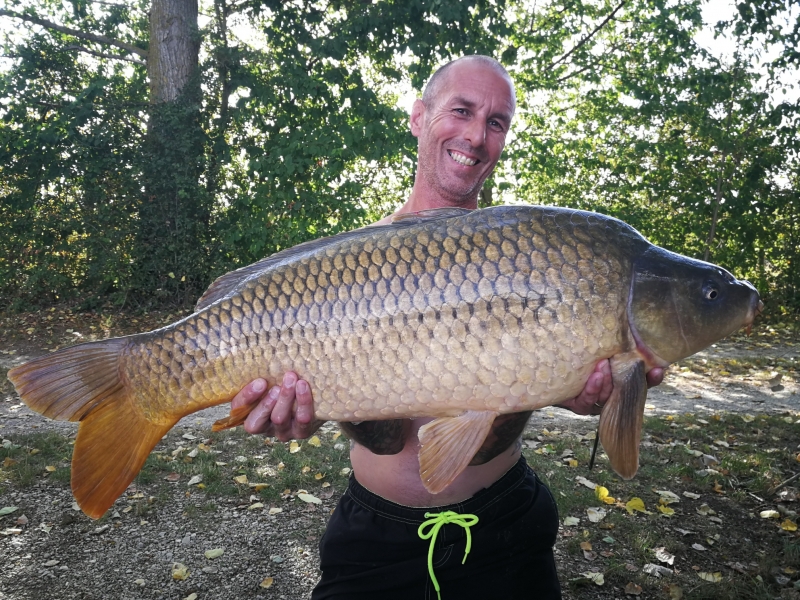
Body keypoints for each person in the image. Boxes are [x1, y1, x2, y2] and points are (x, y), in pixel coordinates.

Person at [231, 55, 664, 599]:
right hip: (374, 543)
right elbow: (358, 417)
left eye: (497, 122)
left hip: (506, 529)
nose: (477, 135)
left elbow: (554, 380)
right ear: (419, 117)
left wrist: (581, 393)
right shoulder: (345, 267)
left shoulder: (537, 256)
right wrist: (293, 415)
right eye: (461, 110)